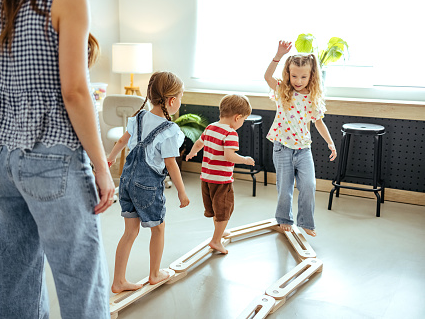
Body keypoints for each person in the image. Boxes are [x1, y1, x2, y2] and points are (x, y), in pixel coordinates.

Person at [0, 0, 115, 318]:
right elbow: (74, 92)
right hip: (54, 158)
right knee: (79, 273)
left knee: (10, 271)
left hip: (2, 156)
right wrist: (102, 165)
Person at [107, 71, 190, 293]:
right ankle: (155, 274)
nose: (180, 102)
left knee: (130, 232)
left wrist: (112, 156)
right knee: (158, 229)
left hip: (126, 182)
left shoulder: (139, 117)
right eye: (180, 97)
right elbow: (171, 165)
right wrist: (182, 192)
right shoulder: (169, 130)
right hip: (147, 187)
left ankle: (118, 281)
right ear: (172, 101)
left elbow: (123, 140)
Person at [264, 40, 337, 237]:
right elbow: (267, 76)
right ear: (288, 74)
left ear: (312, 76)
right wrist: (278, 55)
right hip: (282, 147)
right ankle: (284, 219)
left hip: (304, 149)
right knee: (285, 188)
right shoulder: (282, 90)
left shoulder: (313, 98)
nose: (298, 80)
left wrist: (330, 142)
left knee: (309, 185)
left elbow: (319, 122)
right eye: (294, 75)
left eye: (303, 76)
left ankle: (305, 222)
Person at [185, 93, 255, 254]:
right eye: (243, 120)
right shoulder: (231, 134)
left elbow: (198, 143)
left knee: (217, 208)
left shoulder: (210, 127)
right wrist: (244, 160)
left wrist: (192, 153)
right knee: (224, 209)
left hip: (207, 178)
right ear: (237, 117)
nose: (242, 123)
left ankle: (219, 232)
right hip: (222, 180)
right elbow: (229, 156)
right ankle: (216, 241)